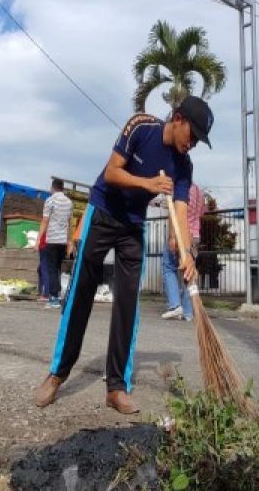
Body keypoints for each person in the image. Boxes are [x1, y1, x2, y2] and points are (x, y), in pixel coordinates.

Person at [33, 96, 213, 415]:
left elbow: (181, 211)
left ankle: (117, 387)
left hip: (133, 226)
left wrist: (187, 253)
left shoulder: (184, 165)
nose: (194, 143)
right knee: (80, 294)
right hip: (102, 212)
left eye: (199, 139)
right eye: (193, 134)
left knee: (128, 303)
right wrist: (148, 183)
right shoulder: (140, 126)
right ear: (178, 118)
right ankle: (57, 374)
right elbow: (112, 172)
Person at [162, 181, 204, 322]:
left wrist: (172, 236)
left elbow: (174, 211)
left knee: (169, 267)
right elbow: (201, 213)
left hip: (181, 234)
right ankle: (188, 312)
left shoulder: (180, 188)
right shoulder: (199, 191)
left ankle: (175, 306)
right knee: (188, 271)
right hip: (195, 235)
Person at [38, 179, 73, 309]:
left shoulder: (50, 200)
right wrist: (70, 241)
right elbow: (70, 223)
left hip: (52, 240)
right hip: (63, 241)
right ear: (62, 188)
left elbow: (45, 221)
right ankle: (56, 295)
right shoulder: (69, 202)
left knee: (51, 269)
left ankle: (53, 298)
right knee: (57, 268)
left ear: (53, 187)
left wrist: (38, 240)